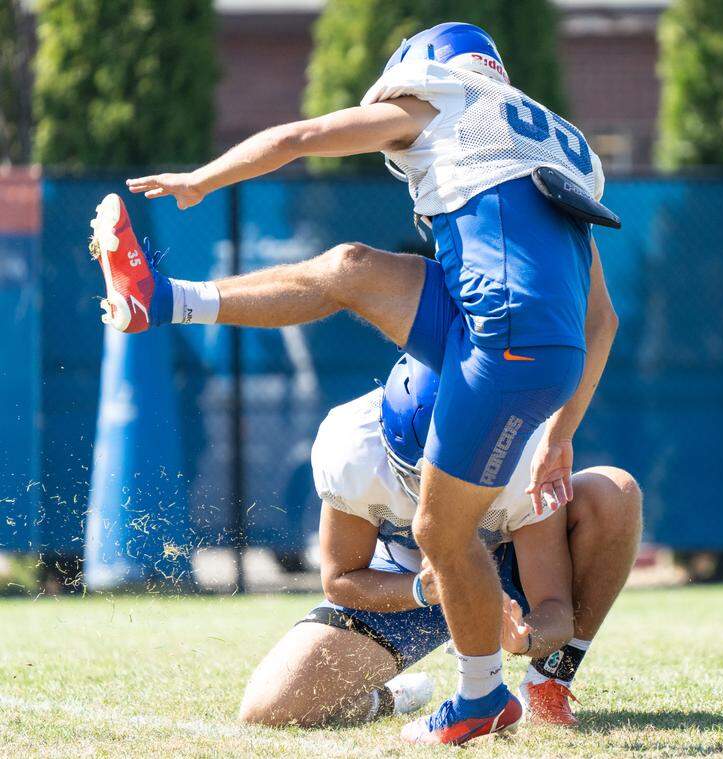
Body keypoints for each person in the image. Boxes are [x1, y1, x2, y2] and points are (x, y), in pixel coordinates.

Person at [88, 21, 619, 744]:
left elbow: (302, 137)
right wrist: (561, 429)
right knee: (350, 268)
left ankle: (481, 695)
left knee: (439, 527)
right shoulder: (551, 137)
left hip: (501, 336)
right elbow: (602, 322)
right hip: (503, 324)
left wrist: (202, 179)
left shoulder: (441, 99)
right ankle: (166, 299)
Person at [237, 355, 642, 730]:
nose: (438, 496)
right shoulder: (352, 447)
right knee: (269, 707)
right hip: (406, 582)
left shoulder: (525, 447)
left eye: (455, 479)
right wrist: (423, 589)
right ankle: (391, 699)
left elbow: (554, 607)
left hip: (505, 579)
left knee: (613, 493)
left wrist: (528, 637)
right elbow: (341, 578)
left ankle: (549, 679)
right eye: (420, 480)